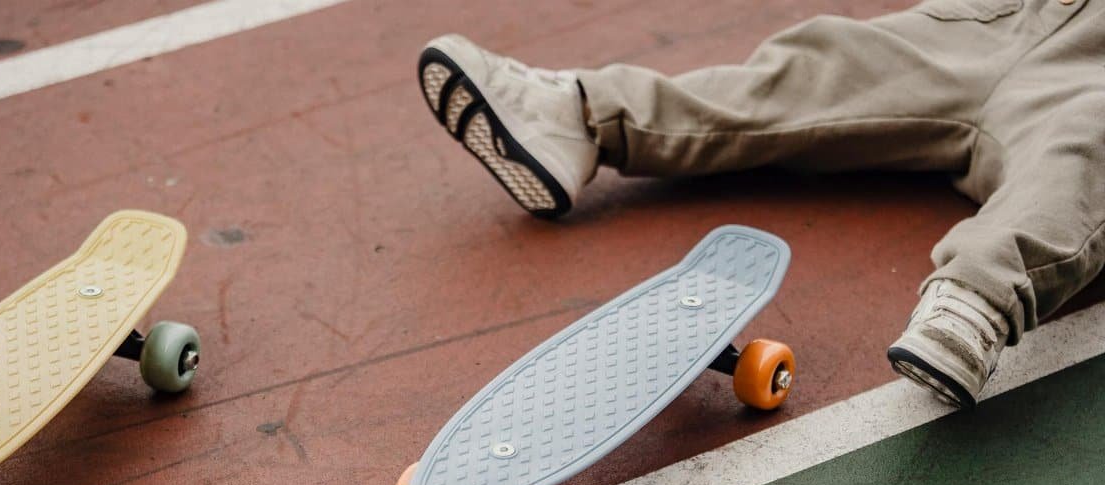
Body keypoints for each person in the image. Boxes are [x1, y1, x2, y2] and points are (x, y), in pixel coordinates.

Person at [415, 0, 1104, 410]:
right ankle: (578, 117)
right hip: (1020, 12)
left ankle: (977, 295)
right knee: (821, 64)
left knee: (1082, 147)